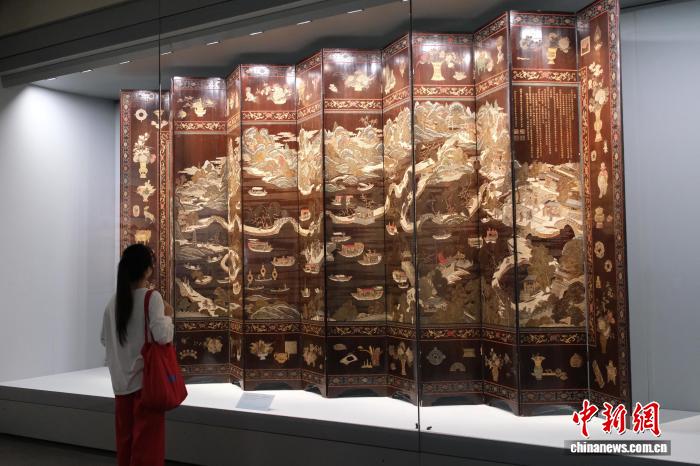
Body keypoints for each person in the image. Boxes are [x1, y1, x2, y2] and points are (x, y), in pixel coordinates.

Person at [101, 244, 174, 466]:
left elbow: (104, 339)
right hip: (145, 384)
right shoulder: (152, 298)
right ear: (147, 269)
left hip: (120, 385)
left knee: (125, 444)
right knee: (147, 447)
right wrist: (168, 316)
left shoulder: (112, 302)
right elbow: (163, 337)